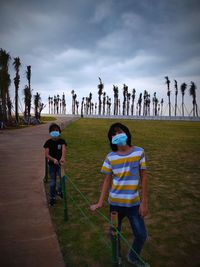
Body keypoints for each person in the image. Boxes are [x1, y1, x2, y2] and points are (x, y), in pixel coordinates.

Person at [90, 123, 149, 267]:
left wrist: (144, 202)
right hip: (115, 205)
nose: (117, 136)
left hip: (134, 204)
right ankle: (117, 258)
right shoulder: (110, 157)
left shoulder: (139, 152)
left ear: (127, 133)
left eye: (120, 132)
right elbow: (107, 181)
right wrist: (100, 202)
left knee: (141, 235)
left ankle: (133, 257)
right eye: (113, 134)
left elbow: (144, 177)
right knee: (114, 234)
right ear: (111, 139)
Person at [43, 123, 67, 206]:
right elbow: (46, 154)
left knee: (63, 179)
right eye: (53, 131)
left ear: (59, 132)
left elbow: (64, 150)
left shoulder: (62, 141)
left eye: (56, 130)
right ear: (50, 132)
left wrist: (62, 158)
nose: (55, 132)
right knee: (52, 182)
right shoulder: (48, 143)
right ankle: (52, 198)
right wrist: (53, 160)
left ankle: (60, 191)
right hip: (52, 166)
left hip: (61, 165)